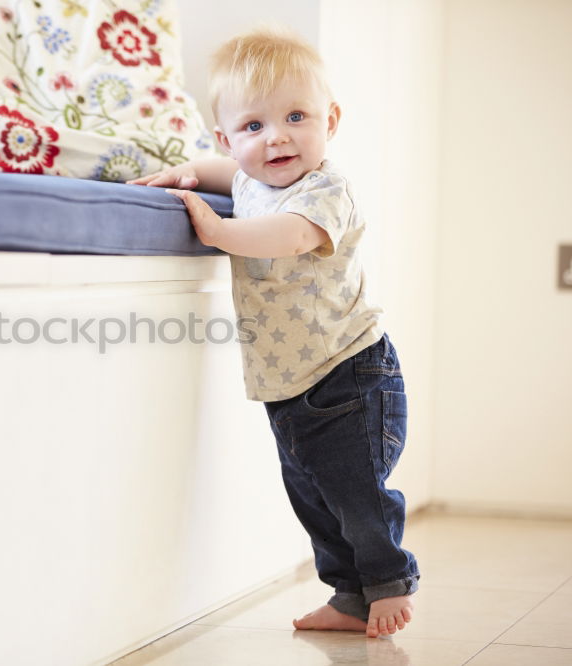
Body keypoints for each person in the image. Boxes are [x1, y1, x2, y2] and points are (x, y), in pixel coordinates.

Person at [129, 25, 419, 638]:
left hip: (350, 372)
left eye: (295, 116)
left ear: (330, 120)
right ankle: (348, 596)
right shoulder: (247, 180)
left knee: (354, 490)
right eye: (253, 127)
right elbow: (222, 173)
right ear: (228, 139)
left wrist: (221, 233)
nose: (277, 137)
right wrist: (184, 173)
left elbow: (287, 236)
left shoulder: (326, 191)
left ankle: (389, 579)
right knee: (312, 496)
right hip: (289, 384)